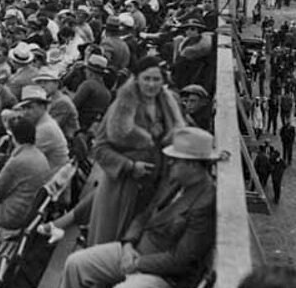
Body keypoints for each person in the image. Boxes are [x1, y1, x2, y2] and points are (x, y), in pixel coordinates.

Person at [60, 127, 217, 288]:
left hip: (163, 275)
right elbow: (144, 215)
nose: (170, 163)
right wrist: (128, 245)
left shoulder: (205, 201)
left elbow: (180, 260)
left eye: (176, 160)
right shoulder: (176, 181)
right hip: (135, 251)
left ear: (193, 165)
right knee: (76, 264)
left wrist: (138, 263)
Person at [88, 56, 186, 246]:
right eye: (146, 79)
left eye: (156, 79)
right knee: (113, 238)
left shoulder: (167, 104)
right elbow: (99, 148)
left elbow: (180, 133)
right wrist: (129, 166)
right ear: (137, 79)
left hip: (156, 185)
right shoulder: (121, 107)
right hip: (123, 187)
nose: (151, 84)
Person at [15, 85, 69, 171]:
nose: (25, 112)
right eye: (24, 108)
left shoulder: (45, 128)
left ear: (43, 107)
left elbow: (22, 157)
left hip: (51, 177)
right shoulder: (43, 122)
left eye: (30, 107)